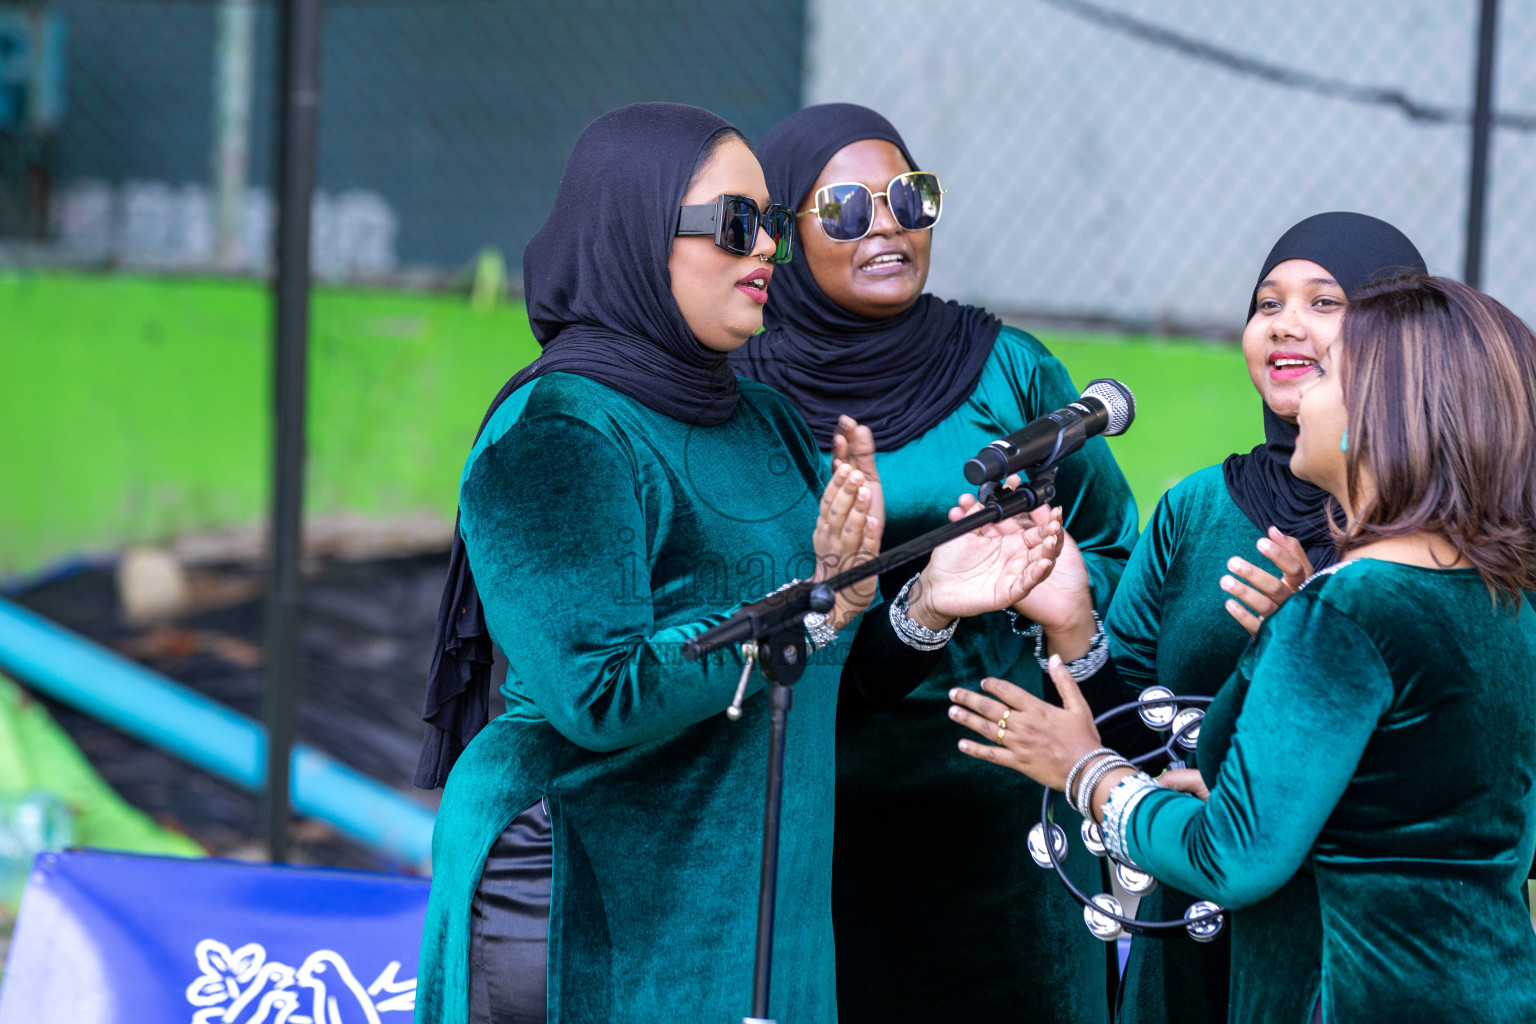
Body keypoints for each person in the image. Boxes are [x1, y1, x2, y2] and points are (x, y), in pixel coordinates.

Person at [411, 102, 1060, 1024]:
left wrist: (922, 605)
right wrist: (815, 605)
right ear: (637, 234)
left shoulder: (757, 420)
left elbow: (811, 670)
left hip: (746, 909)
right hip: (586, 899)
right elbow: (599, 692)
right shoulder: (558, 433)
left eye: (768, 225)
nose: (766, 250)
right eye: (735, 224)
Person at [950, 274, 1536, 1024]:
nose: (1300, 396)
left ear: (1378, 422)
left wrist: (1085, 770)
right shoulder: (1501, 596)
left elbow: (1231, 860)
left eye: (1326, 375)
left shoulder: (1348, 610)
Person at [731, 103, 1140, 1023]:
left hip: (1007, 811)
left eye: (910, 198)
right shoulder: (742, 396)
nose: (887, 225)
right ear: (786, 235)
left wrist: (1051, 588)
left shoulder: (1010, 373)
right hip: (813, 809)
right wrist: (912, 602)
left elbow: (1118, 548)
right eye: (844, 209)